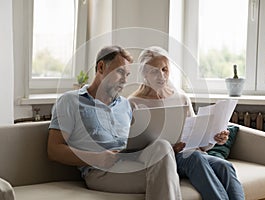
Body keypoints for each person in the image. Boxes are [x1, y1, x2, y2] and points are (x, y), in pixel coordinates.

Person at [47, 45, 182, 200]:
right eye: (120, 72)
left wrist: (170, 148)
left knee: (163, 146)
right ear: (101, 67)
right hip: (100, 171)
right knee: (165, 177)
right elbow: (54, 150)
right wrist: (96, 158)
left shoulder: (125, 105)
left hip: (130, 162)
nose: (125, 80)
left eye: (127, 74)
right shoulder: (70, 101)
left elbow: (135, 142)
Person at [128, 46, 245, 200]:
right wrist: (170, 148)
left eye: (165, 69)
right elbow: (131, 146)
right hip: (161, 160)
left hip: (187, 154)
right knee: (194, 157)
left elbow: (198, 141)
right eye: (154, 71)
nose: (161, 75)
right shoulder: (133, 103)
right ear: (144, 74)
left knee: (225, 166)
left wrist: (213, 138)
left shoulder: (181, 98)